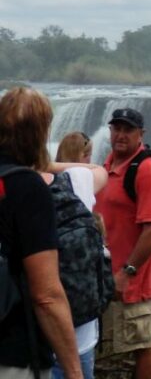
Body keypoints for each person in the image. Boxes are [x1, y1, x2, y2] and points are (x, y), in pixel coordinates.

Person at [0, 87, 82, 379]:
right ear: (40, 133)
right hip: (12, 352)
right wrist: (74, 371)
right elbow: (46, 295)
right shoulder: (28, 188)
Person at [94, 108, 151, 379]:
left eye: (128, 130)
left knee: (142, 344)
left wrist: (127, 272)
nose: (121, 135)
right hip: (107, 274)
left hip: (134, 277)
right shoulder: (107, 164)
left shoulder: (147, 170)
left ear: (141, 134)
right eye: (117, 129)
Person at [43, 158, 108, 379]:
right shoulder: (76, 181)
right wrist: (46, 163)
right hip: (81, 337)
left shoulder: (13, 189)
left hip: (32, 341)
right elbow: (99, 170)